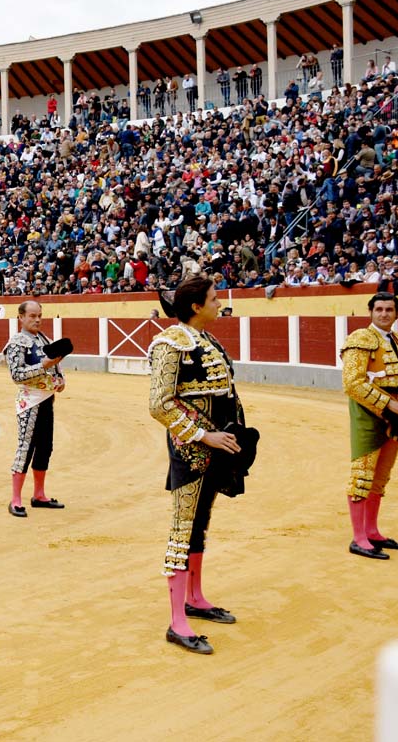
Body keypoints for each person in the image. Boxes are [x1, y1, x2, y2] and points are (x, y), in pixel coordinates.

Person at [148, 277, 252, 655]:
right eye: (213, 298)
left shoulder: (207, 341)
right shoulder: (169, 343)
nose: (219, 303)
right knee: (182, 527)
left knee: (200, 521)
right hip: (191, 447)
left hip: (218, 443)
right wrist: (203, 435)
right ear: (196, 306)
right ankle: (177, 622)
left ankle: (195, 598)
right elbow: (159, 404)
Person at [340, 292, 398, 560]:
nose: (384, 313)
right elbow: (353, 383)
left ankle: (372, 531)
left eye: (389, 309)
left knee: (380, 477)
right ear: (371, 312)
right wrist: (391, 404)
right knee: (362, 476)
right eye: (379, 309)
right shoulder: (360, 339)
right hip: (369, 415)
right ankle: (358, 538)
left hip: (397, 417)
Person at [3, 301, 66, 518]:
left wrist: (60, 379)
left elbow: (56, 365)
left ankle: (39, 495)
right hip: (29, 403)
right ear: (21, 317)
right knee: (25, 448)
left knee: (45, 448)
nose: (37, 319)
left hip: (47, 399)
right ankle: (15, 500)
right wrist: (43, 366)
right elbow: (17, 375)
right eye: (32, 316)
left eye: (39, 315)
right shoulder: (16, 342)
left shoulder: (43, 339)